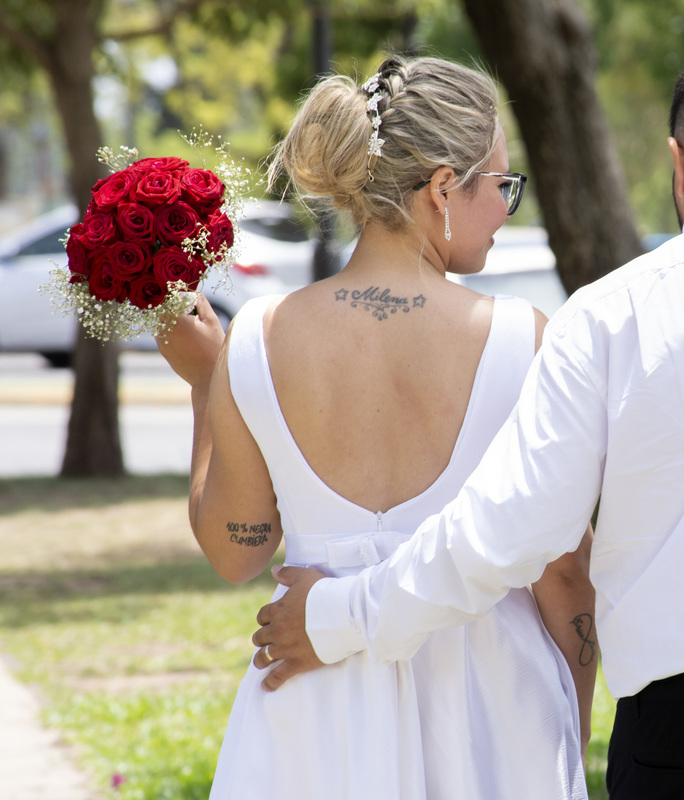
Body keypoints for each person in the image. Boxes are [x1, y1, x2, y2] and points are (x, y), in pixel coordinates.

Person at [254, 48, 684, 799]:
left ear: (678, 167)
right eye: (502, 184)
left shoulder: (615, 312)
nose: (505, 204)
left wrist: (338, 617)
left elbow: (516, 533)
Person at [156, 55, 592, 799]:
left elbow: (239, 553)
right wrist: (571, 727)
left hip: (316, 716)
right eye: (502, 187)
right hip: (492, 712)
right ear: (444, 188)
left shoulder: (259, 339)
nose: (506, 209)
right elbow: (562, 573)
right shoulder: (527, 340)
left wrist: (207, 386)